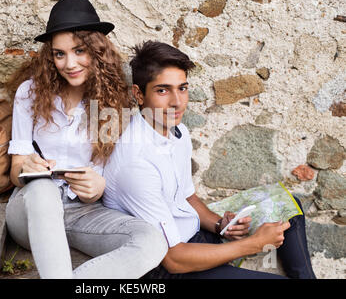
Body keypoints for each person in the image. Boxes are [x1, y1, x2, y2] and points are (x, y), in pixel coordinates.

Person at [102, 40, 317, 279]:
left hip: (194, 238)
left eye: (182, 88)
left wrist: (219, 224)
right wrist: (254, 243)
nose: (177, 101)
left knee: (288, 205)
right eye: (163, 90)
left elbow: (186, 196)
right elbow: (173, 260)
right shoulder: (136, 162)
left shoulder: (177, 131)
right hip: (167, 267)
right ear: (138, 94)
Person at [4, 0, 167, 279]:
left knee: (152, 240)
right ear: (50, 56)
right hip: (30, 211)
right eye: (59, 54)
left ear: (96, 50)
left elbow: (111, 177)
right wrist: (25, 169)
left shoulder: (116, 104)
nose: (69, 63)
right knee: (42, 189)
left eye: (79, 51)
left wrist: (98, 186)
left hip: (83, 214)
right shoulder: (29, 94)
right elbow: (15, 173)